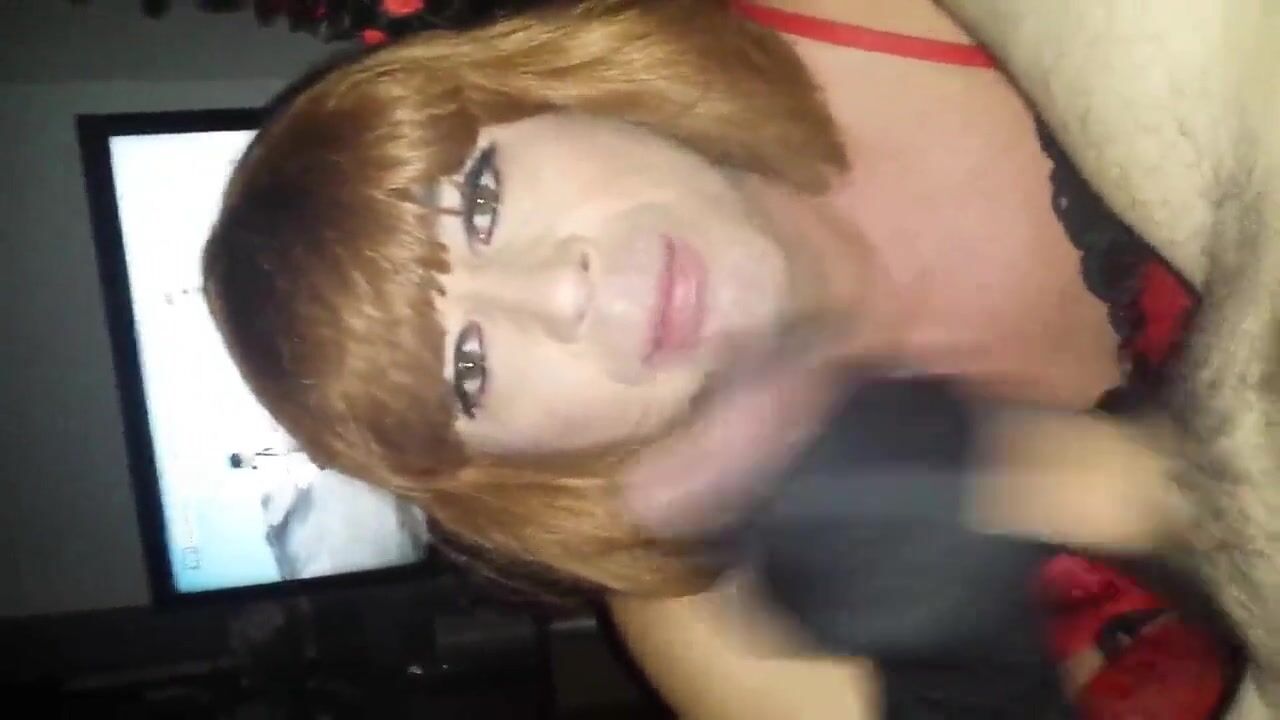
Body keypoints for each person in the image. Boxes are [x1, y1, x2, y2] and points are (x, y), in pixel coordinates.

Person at [200, 0, 1261, 716]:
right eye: (469, 370)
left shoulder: (868, 16)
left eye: (480, 198)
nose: (562, 292)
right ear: (514, 469)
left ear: (548, 89)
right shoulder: (710, 615)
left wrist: (1083, 481)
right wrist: (970, 677)